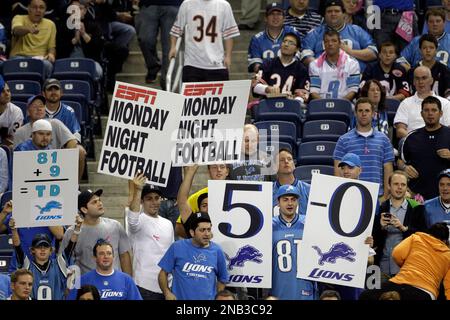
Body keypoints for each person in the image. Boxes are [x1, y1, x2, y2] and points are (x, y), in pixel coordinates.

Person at [360, 222, 450, 300]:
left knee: (366, 295)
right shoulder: (448, 254)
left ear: (428, 234)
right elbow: (448, 286)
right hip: (425, 293)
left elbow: (396, 254)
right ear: (445, 241)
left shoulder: (416, 238)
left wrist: (407, 266)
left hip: (399, 282)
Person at [158, 212, 229, 300]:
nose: (207, 234)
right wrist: (167, 292)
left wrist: (216, 297)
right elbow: (163, 273)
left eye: (209, 229)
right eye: (202, 230)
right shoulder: (177, 247)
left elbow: (223, 278)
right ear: (192, 232)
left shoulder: (217, 250)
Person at [333, 98, 395, 199]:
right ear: (355, 114)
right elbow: (337, 171)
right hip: (351, 196)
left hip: (377, 196)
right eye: (360, 111)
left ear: (373, 114)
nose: (364, 114)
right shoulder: (343, 140)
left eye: (367, 111)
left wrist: (385, 197)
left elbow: (388, 169)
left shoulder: (384, 139)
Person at [10, 215, 82, 300]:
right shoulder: (27, 266)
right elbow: (17, 246)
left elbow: (70, 246)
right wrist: (14, 230)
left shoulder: (59, 264)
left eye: (46, 247)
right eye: (39, 247)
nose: (42, 249)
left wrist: (77, 229)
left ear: (51, 250)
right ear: (32, 250)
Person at [62, 189, 132, 275]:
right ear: (84, 209)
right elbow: (65, 261)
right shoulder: (72, 233)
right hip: (88, 287)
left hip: (115, 286)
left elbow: (124, 256)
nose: (100, 203)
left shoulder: (115, 226)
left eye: (99, 200)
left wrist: (129, 283)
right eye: (94, 202)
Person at [127, 172, 174, 300]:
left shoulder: (168, 223)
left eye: (157, 198)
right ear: (142, 201)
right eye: (149, 198)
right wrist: (138, 189)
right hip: (144, 286)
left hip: (167, 287)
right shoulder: (137, 221)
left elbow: (171, 255)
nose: (154, 202)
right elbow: (132, 219)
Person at [372, 171, 427, 279]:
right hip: (380, 267)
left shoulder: (417, 208)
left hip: (405, 269)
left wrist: (404, 229)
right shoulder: (379, 208)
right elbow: (371, 240)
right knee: (375, 295)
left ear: (407, 187)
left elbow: (423, 237)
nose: (399, 187)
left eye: (403, 185)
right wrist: (380, 227)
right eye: (396, 184)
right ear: (389, 186)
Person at [168, 0, 240, 82]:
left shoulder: (224, 5)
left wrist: (228, 56)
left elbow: (229, 34)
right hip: (192, 63)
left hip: (216, 63)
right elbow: (177, 28)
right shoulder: (187, 4)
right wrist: (173, 46)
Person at [301, 0, 377, 71]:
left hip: (355, 77)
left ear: (344, 14)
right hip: (323, 77)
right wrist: (320, 67)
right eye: (329, 11)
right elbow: (305, 54)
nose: (333, 14)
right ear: (324, 15)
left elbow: (373, 52)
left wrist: (350, 51)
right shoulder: (315, 33)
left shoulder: (356, 31)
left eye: (337, 11)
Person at [272, 184, 318, 300]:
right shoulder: (268, 226)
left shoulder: (310, 223)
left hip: (305, 287)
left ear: (298, 202)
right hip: (278, 287)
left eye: (293, 199)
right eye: (285, 200)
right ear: (278, 202)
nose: (290, 203)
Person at [400, 96, 450, 200]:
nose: (430, 113)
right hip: (417, 198)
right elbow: (399, 160)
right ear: (421, 114)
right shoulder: (412, 137)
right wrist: (404, 168)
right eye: (426, 110)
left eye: (434, 110)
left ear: (441, 113)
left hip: (446, 196)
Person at [67, 239, 142, 300]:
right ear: (95, 257)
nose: (106, 256)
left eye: (109, 253)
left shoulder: (127, 280)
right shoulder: (81, 280)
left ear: (113, 256)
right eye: (101, 253)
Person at [42, 78, 86, 180]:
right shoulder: (38, 110)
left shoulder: (68, 111)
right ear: (43, 93)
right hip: (40, 148)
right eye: (49, 90)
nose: (53, 92)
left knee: (80, 151)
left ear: (61, 93)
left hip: (62, 149)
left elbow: (75, 134)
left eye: (56, 89)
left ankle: (75, 186)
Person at [135, 0, 182, 87]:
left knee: (169, 48)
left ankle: (166, 86)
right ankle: (153, 66)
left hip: (174, 4)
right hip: (149, 4)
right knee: (145, 39)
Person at [394, 66, 450, 140]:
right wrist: (419, 141)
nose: (420, 82)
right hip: (414, 144)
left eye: (424, 78)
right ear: (413, 82)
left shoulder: (445, 103)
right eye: (417, 78)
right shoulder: (405, 103)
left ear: (431, 80)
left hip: (439, 143)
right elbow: (400, 131)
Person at [253, 32, 310, 103]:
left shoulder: (301, 69)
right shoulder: (268, 64)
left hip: (290, 108)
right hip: (268, 105)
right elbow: (254, 87)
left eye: (291, 43)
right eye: (284, 41)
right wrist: (267, 89)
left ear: (297, 49)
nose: (286, 44)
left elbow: (304, 94)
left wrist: (294, 103)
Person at [247, 3, 301, 74]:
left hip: (290, 74)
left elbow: (297, 58)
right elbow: (256, 65)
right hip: (266, 77)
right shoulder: (257, 39)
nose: (275, 17)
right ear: (265, 18)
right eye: (272, 14)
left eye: (279, 14)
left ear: (284, 18)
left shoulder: (292, 32)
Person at [309, 30, 360, 101]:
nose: (330, 44)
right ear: (324, 44)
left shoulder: (352, 63)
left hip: (345, 105)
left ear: (340, 43)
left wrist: (338, 105)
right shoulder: (314, 64)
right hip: (321, 105)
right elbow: (314, 91)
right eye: (327, 41)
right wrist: (325, 105)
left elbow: (352, 91)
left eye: (334, 41)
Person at [10, 0, 56, 77]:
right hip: (20, 56)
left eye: (41, 8)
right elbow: (16, 30)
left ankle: (43, 88)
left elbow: (51, 47)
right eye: (34, 7)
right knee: (15, 62)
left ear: (45, 10)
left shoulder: (50, 24)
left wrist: (51, 54)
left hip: (40, 59)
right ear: (28, 8)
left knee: (48, 65)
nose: (38, 10)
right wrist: (28, 29)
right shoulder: (19, 18)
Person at [408, 34, 450, 98]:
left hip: (440, 106)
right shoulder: (413, 71)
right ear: (420, 51)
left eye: (431, 48)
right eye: (424, 48)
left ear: (436, 50)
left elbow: (448, 92)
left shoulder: (445, 70)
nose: (428, 51)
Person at [273, 148, 310, 213]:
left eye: (289, 159)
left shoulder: (308, 189)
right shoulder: (268, 191)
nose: (286, 161)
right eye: (282, 160)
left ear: (294, 165)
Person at [0, 75, 23, 147]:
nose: (7, 94)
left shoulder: (15, 111)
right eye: (2, 91)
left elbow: (13, 140)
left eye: (8, 90)